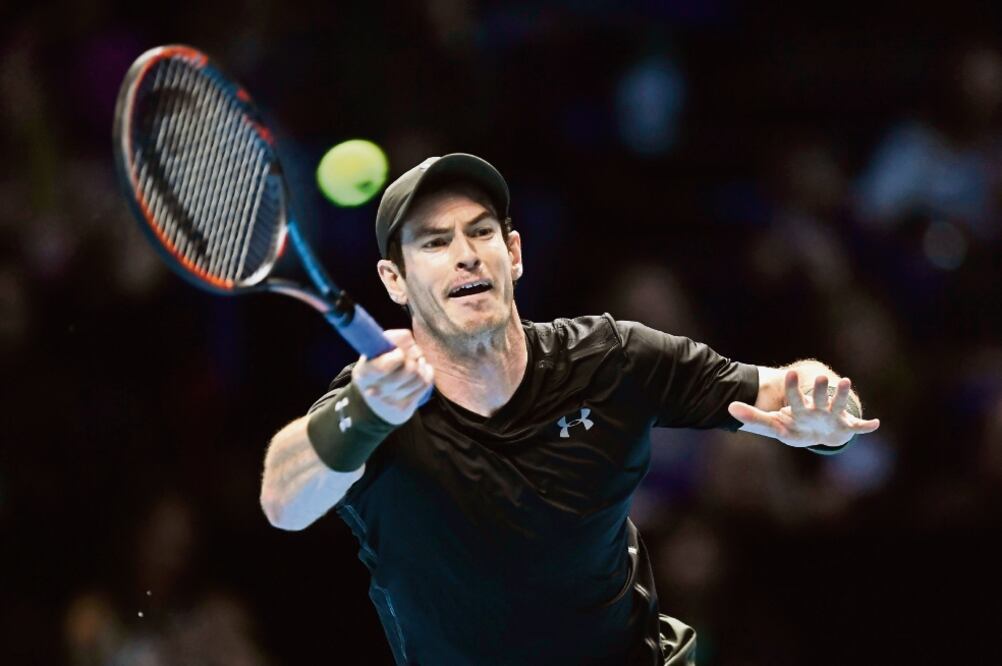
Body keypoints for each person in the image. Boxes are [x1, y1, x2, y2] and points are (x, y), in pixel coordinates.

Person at [259, 154, 880, 665]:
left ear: (515, 254)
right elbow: (283, 503)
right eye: (435, 242)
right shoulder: (370, 405)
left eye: (481, 232)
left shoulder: (610, 359)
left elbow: (785, 391)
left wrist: (827, 410)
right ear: (395, 281)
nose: (466, 253)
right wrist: (363, 413)